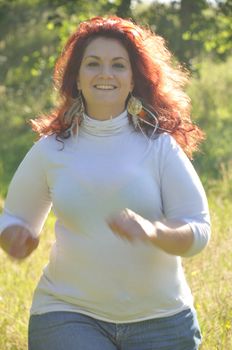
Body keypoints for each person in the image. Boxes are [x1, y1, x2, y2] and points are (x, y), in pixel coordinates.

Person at [0, 16, 210, 350]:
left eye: (118, 65)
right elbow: (14, 219)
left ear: (133, 80)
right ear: (77, 79)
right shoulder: (52, 148)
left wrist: (153, 231)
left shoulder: (159, 147)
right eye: (93, 64)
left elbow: (198, 230)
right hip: (67, 312)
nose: (105, 74)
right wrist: (14, 236)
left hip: (161, 319)